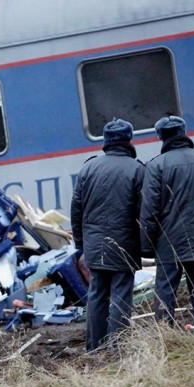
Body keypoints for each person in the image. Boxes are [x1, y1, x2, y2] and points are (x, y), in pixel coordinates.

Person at [140, 116, 194, 334]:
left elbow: (149, 211)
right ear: (184, 132)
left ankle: (165, 335)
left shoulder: (155, 166)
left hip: (167, 242)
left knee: (165, 289)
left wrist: (146, 246)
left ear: (161, 137)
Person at [71, 118, 145, 352]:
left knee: (96, 295)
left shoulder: (88, 168)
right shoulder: (137, 169)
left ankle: (94, 347)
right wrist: (144, 246)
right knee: (122, 294)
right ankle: (118, 347)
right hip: (125, 244)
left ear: (105, 141)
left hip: (94, 244)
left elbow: (76, 210)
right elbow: (145, 212)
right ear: (128, 140)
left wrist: (81, 244)